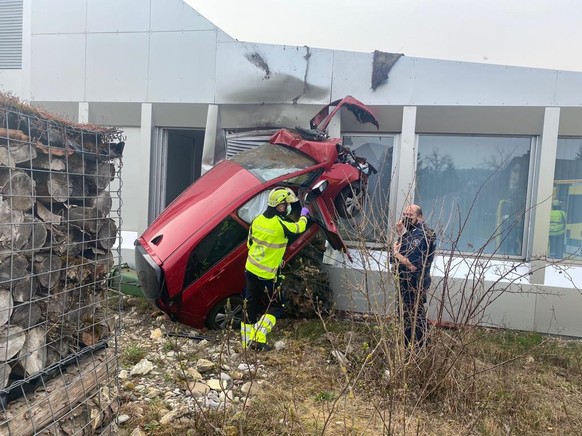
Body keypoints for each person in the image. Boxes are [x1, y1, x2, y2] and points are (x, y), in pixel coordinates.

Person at [241, 187, 310, 351]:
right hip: (267, 275)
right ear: (279, 205)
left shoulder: (257, 220)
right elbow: (299, 228)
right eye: (286, 205)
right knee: (277, 306)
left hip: (250, 269)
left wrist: (276, 259)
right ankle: (258, 338)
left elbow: (251, 244)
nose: (287, 207)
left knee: (250, 304)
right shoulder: (281, 225)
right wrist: (304, 215)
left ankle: (245, 342)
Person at [392, 204, 436, 350]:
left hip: (414, 281)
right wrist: (401, 233)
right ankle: (415, 345)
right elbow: (406, 247)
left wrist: (396, 254)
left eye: (410, 216)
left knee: (411, 314)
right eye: (404, 214)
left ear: (419, 217)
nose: (406, 218)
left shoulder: (421, 234)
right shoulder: (411, 232)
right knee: (413, 313)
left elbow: (412, 264)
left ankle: (413, 347)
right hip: (407, 280)